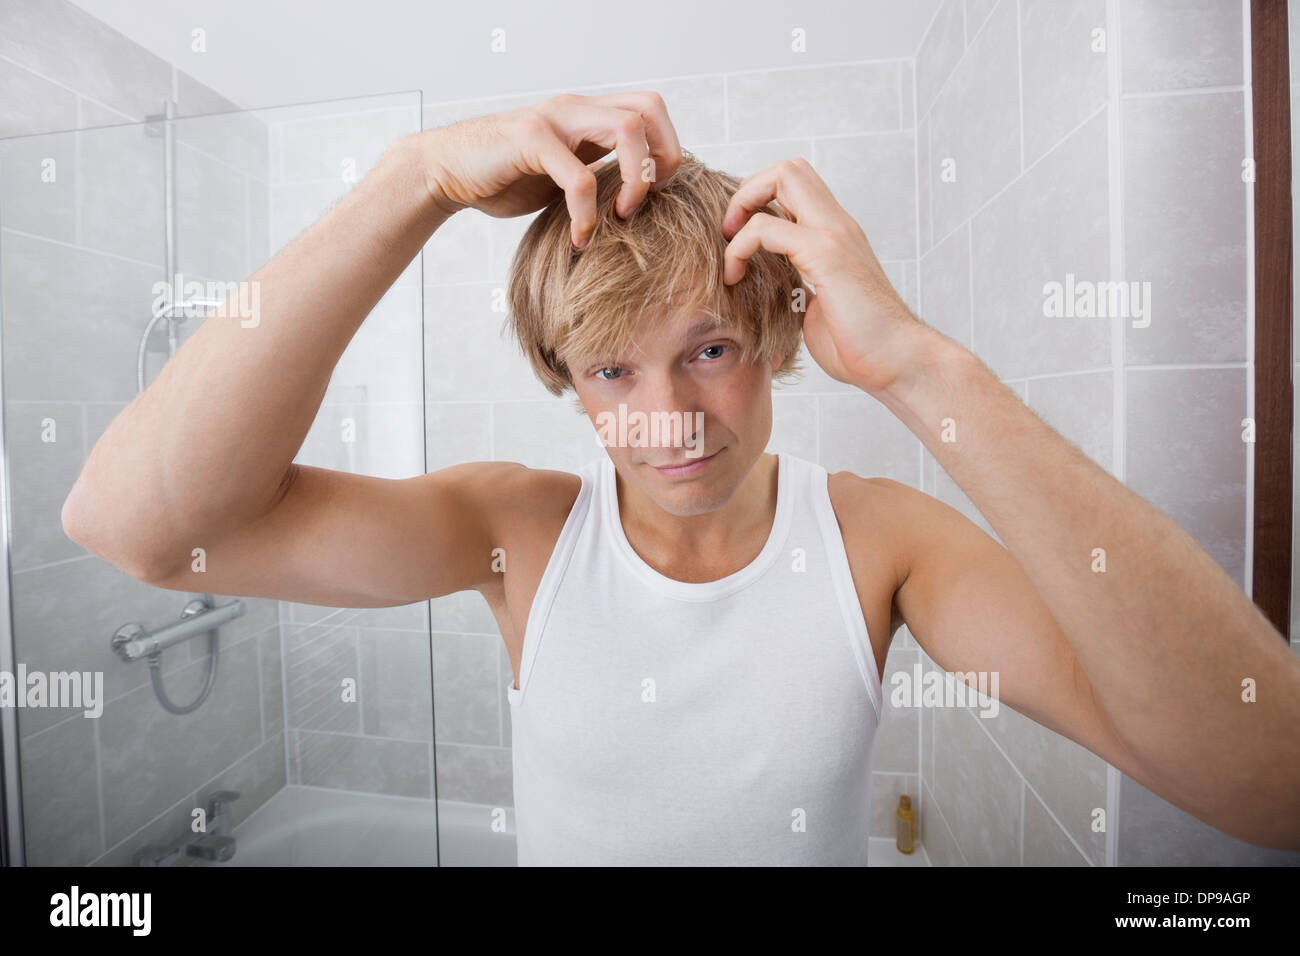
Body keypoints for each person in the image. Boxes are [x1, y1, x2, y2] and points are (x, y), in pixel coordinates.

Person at [62, 91, 1300, 863]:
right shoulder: (519, 530)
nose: (670, 425)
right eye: (611, 373)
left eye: (707, 349)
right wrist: (416, 179)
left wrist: (923, 367)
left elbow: (1263, 779)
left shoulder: (882, 546)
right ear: (568, 383)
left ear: (767, 335)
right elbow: (137, 529)